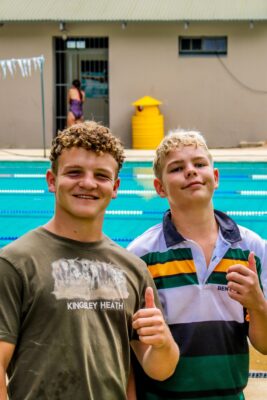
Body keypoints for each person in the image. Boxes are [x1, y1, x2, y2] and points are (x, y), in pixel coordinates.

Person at [0, 121, 179, 400]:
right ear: (51, 180)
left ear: (116, 186)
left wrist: (163, 342)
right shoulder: (15, 262)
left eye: (101, 175)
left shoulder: (132, 269)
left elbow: (159, 369)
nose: (87, 182)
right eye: (74, 172)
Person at [128, 129, 267, 399]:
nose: (191, 171)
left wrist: (257, 303)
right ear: (159, 188)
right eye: (177, 168)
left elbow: (264, 345)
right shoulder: (141, 255)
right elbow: (135, 350)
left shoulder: (252, 249)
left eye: (199, 164)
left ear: (214, 178)